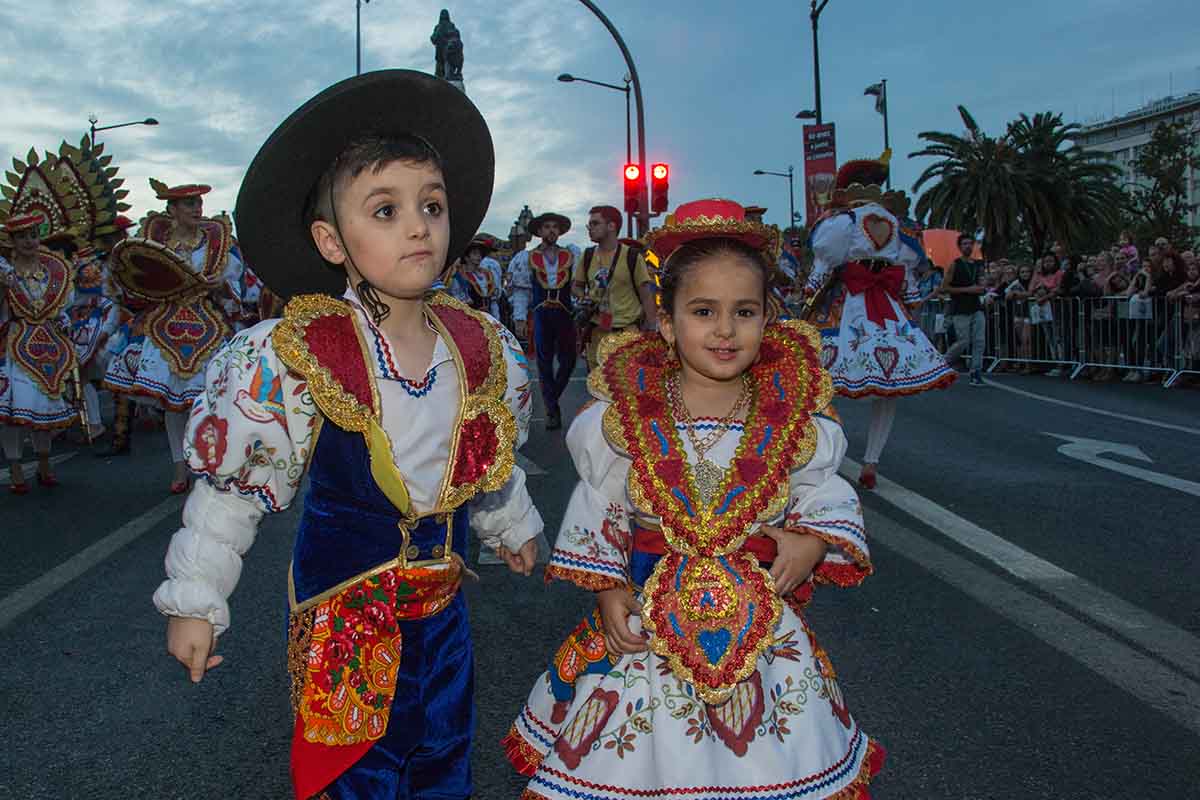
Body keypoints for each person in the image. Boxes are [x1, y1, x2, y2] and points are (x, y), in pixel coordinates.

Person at [155, 70, 544, 800]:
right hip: (344, 620)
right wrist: (194, 598)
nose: (419, 226)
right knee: (355, 777)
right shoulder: (301, 354)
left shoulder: (478, 345)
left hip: (444, 615)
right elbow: (232, 493)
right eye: (387, 210)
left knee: (442, 760)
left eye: (431, 204)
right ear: (331, 241)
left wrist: (508, 522)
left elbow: (487, 460)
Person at [504, 198, 883, 799]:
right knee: (643, 760)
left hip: (761, 629)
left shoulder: (791, 416)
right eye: (704, 311)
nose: (726, 330)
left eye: (745, 312)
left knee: (768, 764)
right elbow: (599, 502)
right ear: (667, 321)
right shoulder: (626, 417)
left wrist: (811, 539)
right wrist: (606, 586)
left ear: (768, 318)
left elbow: (822, 487)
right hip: (649, 621)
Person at [805, 158, 956, 489]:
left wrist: (809, 294)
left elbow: (824, 259)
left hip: (847, 305)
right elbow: (907, 270)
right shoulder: (895, 223)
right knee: (889, 388)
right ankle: (871, 461)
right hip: (886, 307)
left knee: (819, 380)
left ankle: (826, 454)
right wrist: (912, 302)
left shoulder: (842, 221)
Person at [102, 180, 247, 493]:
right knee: (172, 405)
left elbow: (233, 289)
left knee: (210, 401)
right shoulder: (157, 244)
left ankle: (212, 463)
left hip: (206, 326)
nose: (197, 208)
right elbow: (138, 283)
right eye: (189, 204)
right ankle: (179, 470)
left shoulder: (215, 245)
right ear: (172, 211)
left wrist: (219, 286)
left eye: (197, 202)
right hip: (165, 327)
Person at [0, 213, 79, 493]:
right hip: (14, 344)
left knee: (43, 405)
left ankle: (45, 464)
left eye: (33, 235)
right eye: (22, 237)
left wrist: (61, 320)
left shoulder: (53, 270)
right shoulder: (4, 272)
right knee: (14, 408)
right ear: (11, 241)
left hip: (47, 346)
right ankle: (16, 467)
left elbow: (62, 307)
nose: (29, 242)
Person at [509, 211, 580, 430]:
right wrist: (519, 318)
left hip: (565, 313)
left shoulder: (572, 255)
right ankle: (552, 410)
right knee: (544, 363)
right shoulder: (526, 258)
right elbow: (520, 291)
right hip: (541, 314)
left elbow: (578, 286)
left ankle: (552, 396)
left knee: (569, 361)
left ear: (559, 232)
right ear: (539, 232)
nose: (551, 230)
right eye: (547, 227)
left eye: (555, 227)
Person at [572, 204, 657, 369]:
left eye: (595, 223)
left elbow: (646, 294)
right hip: (597, 333)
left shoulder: (631, 256)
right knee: (597, 389)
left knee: (625, 389)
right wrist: (584, 297)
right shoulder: (588, 255)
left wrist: (652, 330)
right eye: (589, 224)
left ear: (612, 226)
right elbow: (576, 286)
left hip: (627, 334)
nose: (590, 228)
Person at [67, 244, 119, 441]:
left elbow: (97, 294)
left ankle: (97, 423)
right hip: (80, 325)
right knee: (79, 374)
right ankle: (93, 424)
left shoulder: (84, 267)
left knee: (83, 371)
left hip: (96, 324)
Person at [941, 233, 988, 385]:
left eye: (970, 243)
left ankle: (976, 371)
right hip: (960, 308)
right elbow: (945, 287)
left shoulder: (978, 265)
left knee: (979, 341)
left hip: (976, 307)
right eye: (964, 244)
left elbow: (982, 284)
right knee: (963, 341)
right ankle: (941, 363)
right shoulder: (955, 264)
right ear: (960, 247)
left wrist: (982, 287)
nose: (968, 246)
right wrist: (968, 289)